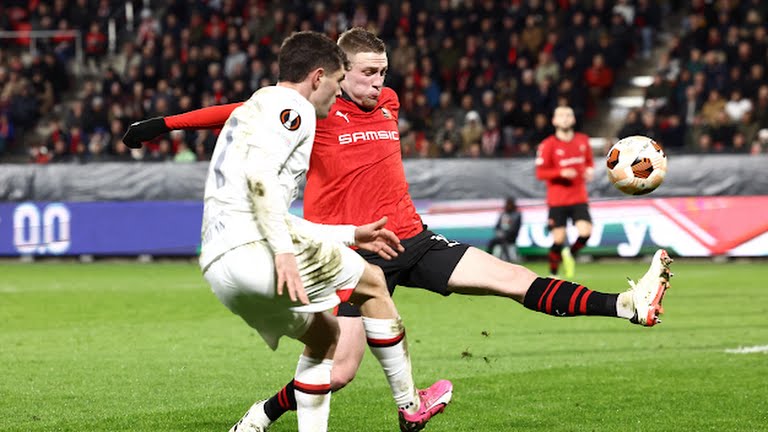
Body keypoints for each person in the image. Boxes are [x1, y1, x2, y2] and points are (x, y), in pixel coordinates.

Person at [123, 27, 673, 431]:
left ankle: (627, 307)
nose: (378, 83)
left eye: (384, 72)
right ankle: (263, 415)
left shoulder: (388, 103)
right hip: (350, 250)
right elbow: (236, 111)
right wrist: (160, 125)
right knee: (338, 371)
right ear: (339, 73)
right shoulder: (313, 112)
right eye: (367, 73)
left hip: (411, 238)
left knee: (510, 277)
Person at [196, 31, 451, 432]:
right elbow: (260, 181)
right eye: (335, 84)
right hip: (258, 250)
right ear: (317, 78)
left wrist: (351, 234)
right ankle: (410, 405)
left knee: (326, 341)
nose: (337, 96)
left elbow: (265, 207)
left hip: (218, 266)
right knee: (371, 282)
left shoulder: (253, 109)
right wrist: (282, 252)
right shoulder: (292, 108)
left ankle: (256, 423)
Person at [535, 106, 594, 278]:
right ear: (554, 121)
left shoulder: (583, 140)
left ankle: (571, 254)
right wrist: (560, 172)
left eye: (569, 114)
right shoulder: (548, 145)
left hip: (578, 197)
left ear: (574, 119)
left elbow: (589, 162)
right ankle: (553, 275)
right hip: (558, 200)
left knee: (585, 232)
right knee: (558, 239)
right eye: (561, 115)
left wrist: (589, 170)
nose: (565, 118)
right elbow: (540, 173)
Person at [486, 196, 522, 263]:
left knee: (503, 240)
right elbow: (497, 226)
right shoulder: (503, 214)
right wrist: (499, 233)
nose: (508, 206)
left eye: (509, 204)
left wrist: (505, 234)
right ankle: (488, 259)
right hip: (501, 235)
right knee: (492, 241)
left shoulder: (517, 214)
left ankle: (508, 260)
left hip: (511, 236)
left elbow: (514, 229)